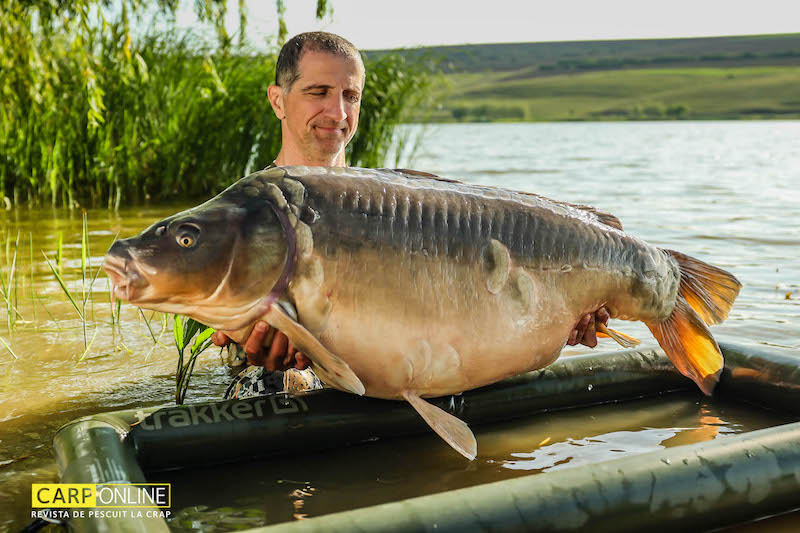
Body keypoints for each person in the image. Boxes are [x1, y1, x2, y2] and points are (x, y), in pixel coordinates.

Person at [213, 31, 608, 393]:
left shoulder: (401, 203)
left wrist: (557, 314)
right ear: (278, 100)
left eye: (351, 96)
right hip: (296, 390)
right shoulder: (248, 216)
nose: (338, 113)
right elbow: (222, 333)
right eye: (318, 92)